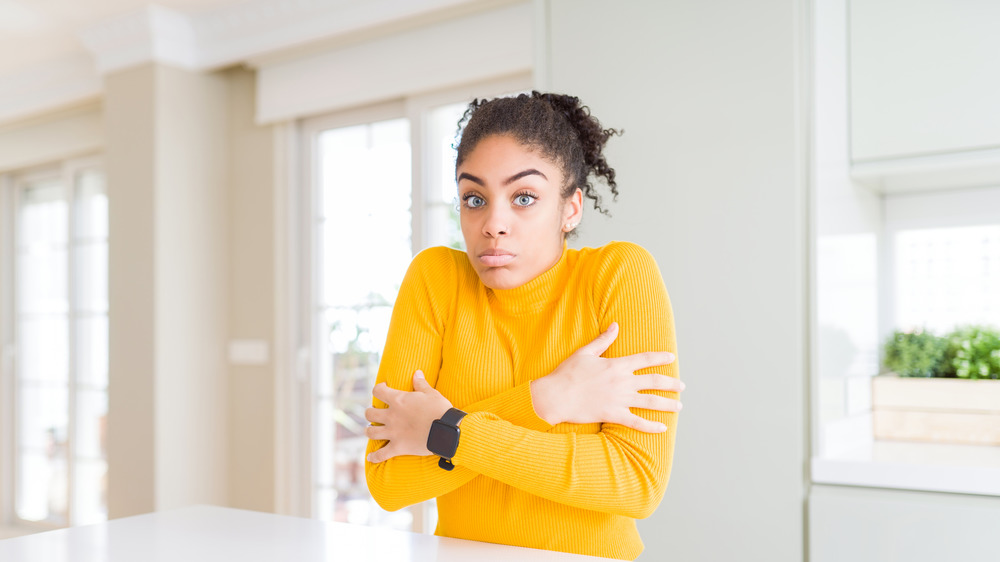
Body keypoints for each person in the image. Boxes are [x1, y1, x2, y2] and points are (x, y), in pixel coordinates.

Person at [364, 91, 682, 561]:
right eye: (474, 198)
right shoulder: (435, 280)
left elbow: (635, 482)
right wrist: (545, 401)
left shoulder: (618, 276)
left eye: (524, 197)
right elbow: (389, 482)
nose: (493, 223)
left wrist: (445, 430)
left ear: (570, 208)